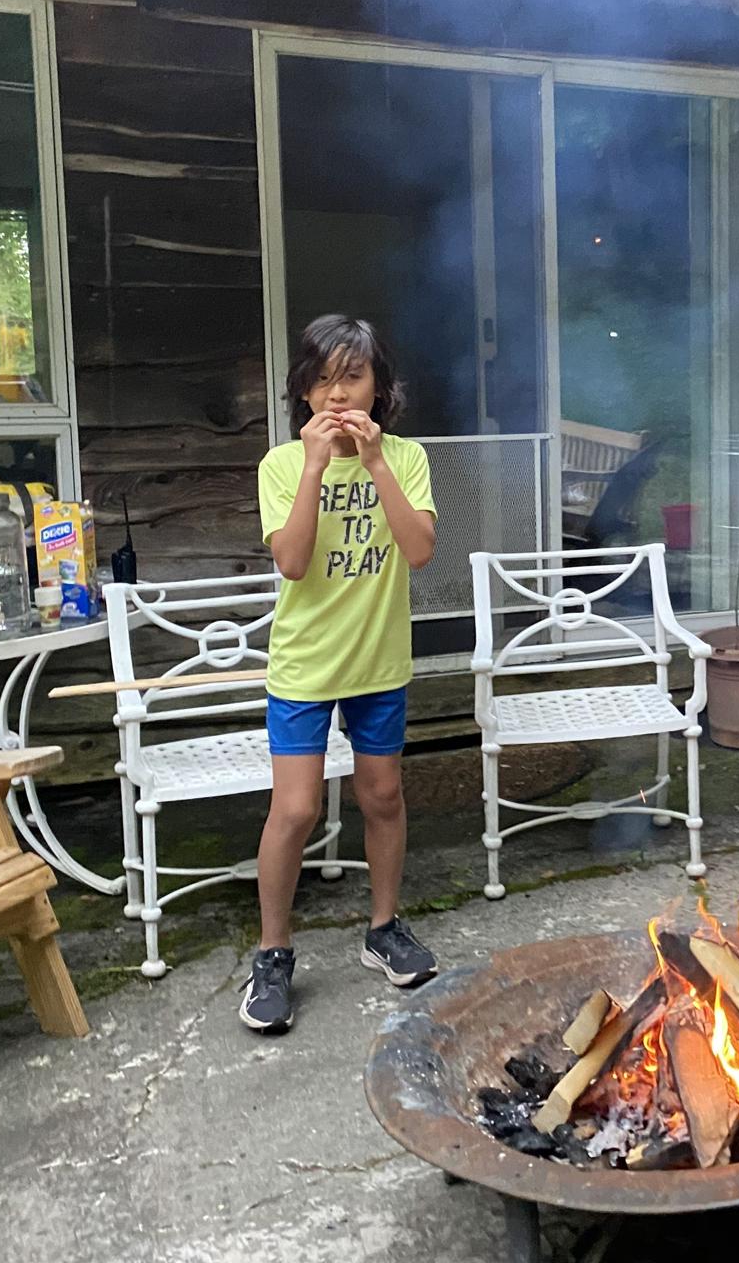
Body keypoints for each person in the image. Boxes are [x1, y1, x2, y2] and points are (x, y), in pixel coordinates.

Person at [238, 315, 439, 1034]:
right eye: (322, 380)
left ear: (379, 387)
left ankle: (383, 929)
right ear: (303, 391)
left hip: (378, 661)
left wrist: (376, 463)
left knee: (382, 795)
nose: (337, 394)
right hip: (304, 666)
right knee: (295, 810)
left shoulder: (406, 458)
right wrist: (316, 468)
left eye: (352, 377)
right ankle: (273, 953)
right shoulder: (281, 464)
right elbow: (292, 562)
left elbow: (419, 550)